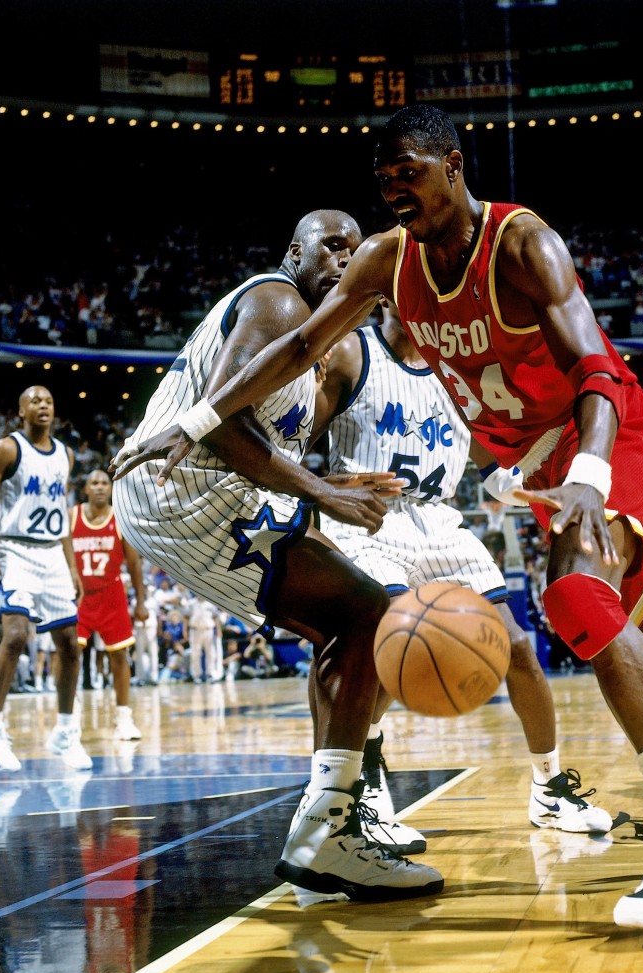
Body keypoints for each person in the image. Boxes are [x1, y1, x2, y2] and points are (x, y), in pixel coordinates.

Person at [116, 106, 643, 930]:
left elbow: (598, 374)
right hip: (541, 463)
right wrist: (191, 423)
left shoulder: (523, 243)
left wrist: (590, 482)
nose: (398, 196)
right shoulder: (387, 260)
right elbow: (297, 348)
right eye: (386, 185)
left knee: (572, 598)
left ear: (453, 166)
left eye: (410, 176)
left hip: (610, 436)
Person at [111, 209, 443, 903]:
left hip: (202, 492)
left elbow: (267, 453)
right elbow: (223, 428)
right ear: (295, 252)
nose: (345, 258)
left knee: (350, 619)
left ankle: (331, 825)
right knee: (367, 613)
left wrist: (333, 483)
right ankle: (328, 833)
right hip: (183, 488)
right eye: (331, 245)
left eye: (355, 251)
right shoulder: (277, 300)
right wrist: (323, 492)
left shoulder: (314, 344)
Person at [311, 295, 612, 854]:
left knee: (517, 648)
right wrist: (329, 490)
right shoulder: (354, 355)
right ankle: (367, 784)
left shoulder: (454, 377)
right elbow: (299, 441)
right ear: (385, 302)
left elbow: (487, 464)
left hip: (443, 524)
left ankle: (549, 787)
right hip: (372, 522)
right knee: (393, 643)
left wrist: (520, 487)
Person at [0, 385, 92, 772]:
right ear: (21, 409)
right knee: (17, 635)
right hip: (14, 549)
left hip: (52, 553)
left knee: (70, 646)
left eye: (49, 401)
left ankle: (65, 732)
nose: (43, 405)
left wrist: (72, 566)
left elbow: (62, 514)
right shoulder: (7, 449)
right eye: (35, 401)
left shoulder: (65, 455)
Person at [70, 469, 149, 740]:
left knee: (119, 656)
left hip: (111, 593)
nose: (101, 487)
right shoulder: (72, 516)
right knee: (70, 655)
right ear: (86, 489)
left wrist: (140, 601)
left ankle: (123, 718)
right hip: (79, 595)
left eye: (105, 482)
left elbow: (134, 563)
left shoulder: (120, 517)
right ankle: (69, 715)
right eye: (95, 483)